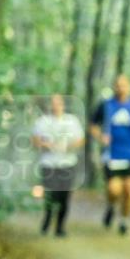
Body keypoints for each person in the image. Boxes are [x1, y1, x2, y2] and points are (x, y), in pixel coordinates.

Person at [90, 74, 130, 236]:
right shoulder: (106, 105)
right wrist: (100, 137)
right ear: (114, 87)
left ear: (129, 86)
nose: (120, 88)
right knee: (114, 189)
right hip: (111, 155)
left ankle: (124, 220)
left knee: (129, 190)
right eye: (117, 85)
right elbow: (93, 125)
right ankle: (111, 206)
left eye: (123, 84)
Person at [32, 94, 85, 237]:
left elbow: (80, 140)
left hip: (67, 164)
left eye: (58, 103)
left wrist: (67, 146)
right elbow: (35, 141)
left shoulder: (72, 121)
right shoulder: (42, 122)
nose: (55, 106)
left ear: (62, 104)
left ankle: (60, 227)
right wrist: (46, 145)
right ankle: (47, 220)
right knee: (50, 194)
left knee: (64, 196)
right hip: (48, 163)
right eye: (53, 103)